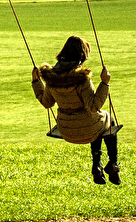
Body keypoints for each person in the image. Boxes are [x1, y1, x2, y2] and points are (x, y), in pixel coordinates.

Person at [33, 35, 122, 185]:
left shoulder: (51, 76)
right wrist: (104, 83)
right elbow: (93, 106)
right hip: (89, 128)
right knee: (105, 119)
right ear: (82, 55)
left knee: (95, 121)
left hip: (66, 130)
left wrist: (36, 81)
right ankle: (112, 163)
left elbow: (47, 102)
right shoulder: (82, 78)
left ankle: (98, 165)